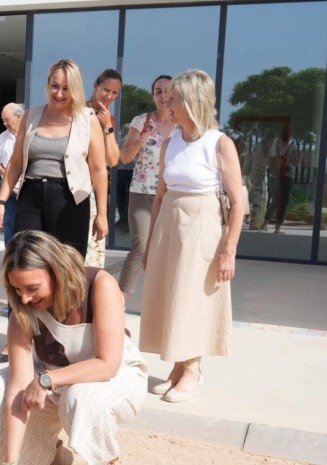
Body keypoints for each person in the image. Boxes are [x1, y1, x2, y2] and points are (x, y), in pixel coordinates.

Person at [0, 230, 149, 465]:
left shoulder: (100, 284)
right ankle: (47, 449)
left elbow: (107, 364)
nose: (24, 298)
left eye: (32, 288)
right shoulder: (22, 310)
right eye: (17, 289)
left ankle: (104, 463)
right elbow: (18, 388)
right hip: (52, 377)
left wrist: (47, 380)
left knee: (81, 396)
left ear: (57, 272)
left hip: (115, 375)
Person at [139, 69, 243, 403]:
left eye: (175, 98)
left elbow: (239, 201)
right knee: (171, 295)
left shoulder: (220, 144)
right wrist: (150, 241)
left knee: (192, 297)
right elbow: (159, 196)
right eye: (167, 98)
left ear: (193, 101)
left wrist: (229, 250)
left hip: (202, 228)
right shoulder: (170, 142)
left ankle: (193, 369)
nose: (167, 103)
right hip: (170, 224)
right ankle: (178, 365)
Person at [0, 59, 108, 258]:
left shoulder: (88, 119)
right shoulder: (31, 115)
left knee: (67, 266)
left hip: (71, 201)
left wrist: (102, 215)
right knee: (27, 260)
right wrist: (0, 202)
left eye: (66, 88)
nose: (59, 94)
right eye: (55, 86)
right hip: (30, 198)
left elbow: (98, 170)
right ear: (48, 84)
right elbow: (16, 163)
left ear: (76, 89)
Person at [117, 75, 173, 300]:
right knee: (140, 247)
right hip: (142, 194)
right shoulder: (141, 121)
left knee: (168, 251)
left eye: (168, 90)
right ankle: (118, 303)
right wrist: (141, 140)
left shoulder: (184, 124)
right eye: (158, 91)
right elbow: (124, 157)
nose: (163, 95)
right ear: (153, 96)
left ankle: (164, 302)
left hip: (171, 196)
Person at [85, 69, 123, 268]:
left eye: (115, 93)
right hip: (76, 185)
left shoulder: (109, 119)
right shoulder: (78, 111)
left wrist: (108, 125)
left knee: (94, 249)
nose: (109, 96)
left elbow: (114, 159)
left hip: (96, 189)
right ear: (95, 86)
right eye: (106, 90)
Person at [0, 103, 25, 246]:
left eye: (7, 120)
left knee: (24, 222)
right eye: (3, 120)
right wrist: (9, 174)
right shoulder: (2, 137)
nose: (4, 124)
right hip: (7, 186)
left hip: (26, 185)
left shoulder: (29, 134)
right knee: (9, 221)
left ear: (18, 117)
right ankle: (9, 256)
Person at [265, 132, 298, 234]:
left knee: (275, 201)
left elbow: (268, 162)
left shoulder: (274, 146)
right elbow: (295, 162)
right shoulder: (292, 146)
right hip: (286, 176)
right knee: (283, 202)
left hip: (274, 176)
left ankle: (265, 222)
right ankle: (278, 226)